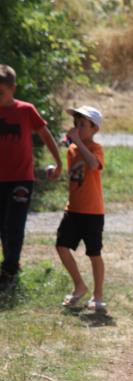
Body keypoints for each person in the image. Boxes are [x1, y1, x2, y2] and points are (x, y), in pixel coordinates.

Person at [0, 64, 62, 290]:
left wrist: (58, 161)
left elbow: (45, 134)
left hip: (21, 178)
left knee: (14, 224)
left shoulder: (26, 110)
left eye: (1, 93)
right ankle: (12, 265)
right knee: (2, 226)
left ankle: (8, 269)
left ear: (12, 88)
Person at [55, 105, 106, 311]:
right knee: (61, 246)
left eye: (82, 125)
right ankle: (79, 286)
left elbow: (94, 165)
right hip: (73, 209)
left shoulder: (96, 149)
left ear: (95, 129)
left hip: (92, 211)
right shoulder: (72, 149)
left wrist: (76, 142)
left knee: (94, 253)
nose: (77, 128)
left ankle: (98, 295)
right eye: (75, 123)